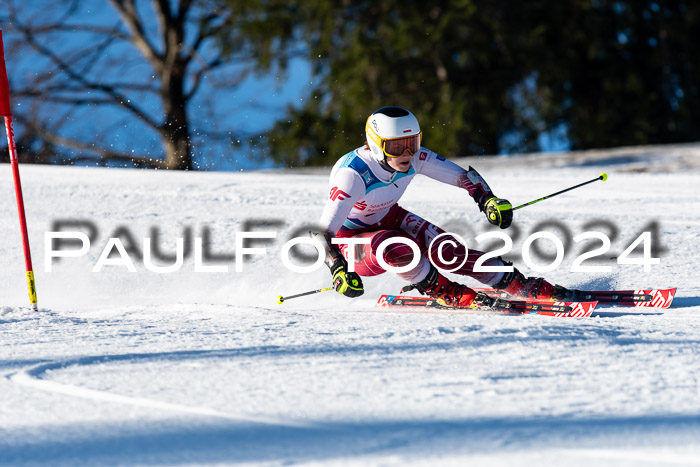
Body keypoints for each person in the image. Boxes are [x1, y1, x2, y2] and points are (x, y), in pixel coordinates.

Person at [312, 106, 573, 308]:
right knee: (392, 244)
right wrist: (337, 270)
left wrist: (488, 200)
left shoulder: (415, 157)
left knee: (447, 250)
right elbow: (322, 235)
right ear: (377, 144)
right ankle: (443, 290)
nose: (407, 153)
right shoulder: (353, 175)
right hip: (352, 245)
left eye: (412, 143)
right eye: (396, 146)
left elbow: (463, 177)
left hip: (388, 216)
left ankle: (517, 284)